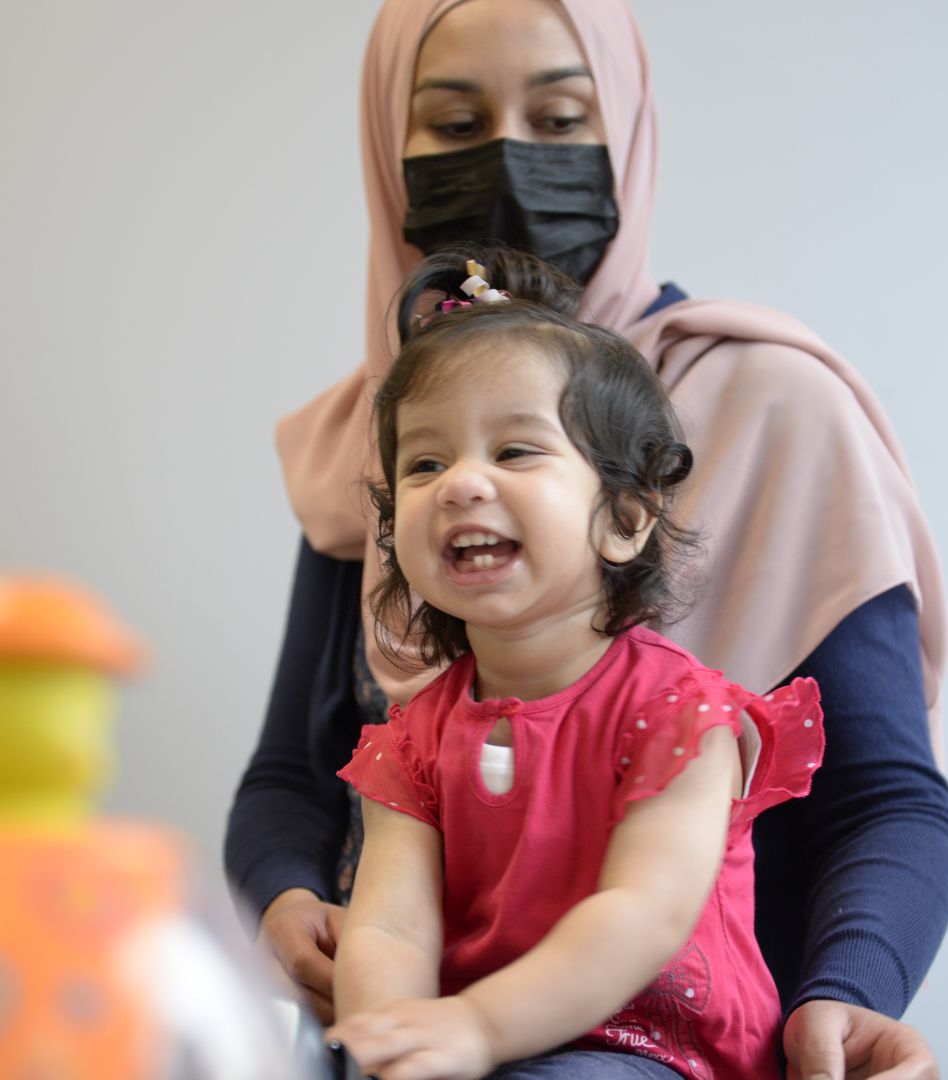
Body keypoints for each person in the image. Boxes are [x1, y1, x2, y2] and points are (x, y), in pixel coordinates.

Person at [226, 2, 948, 1077]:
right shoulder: (374, 436)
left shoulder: (772, 407)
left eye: (562, 117)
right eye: (453, 121)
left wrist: (844, 993)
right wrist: (297, 910)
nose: (512, 160)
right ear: (392, 152)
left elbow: (885, 795)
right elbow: (292, 774)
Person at [324, 246, 826, 1080]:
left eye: (515, 452)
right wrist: (390, 1045)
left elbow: (643, 911)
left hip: (649, 1049)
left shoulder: (679, 713)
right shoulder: (410, 741)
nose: (461, 484)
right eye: (425, 462)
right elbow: (388, 928)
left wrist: (482, 1028)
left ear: (624, 518)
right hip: (474, 1046)